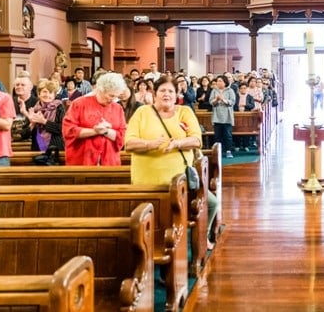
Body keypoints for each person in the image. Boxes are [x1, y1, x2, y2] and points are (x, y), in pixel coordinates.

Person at [124, 75, 219, 250]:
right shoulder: (142, 112)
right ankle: (153, 252)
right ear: (154, 93)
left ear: (176, 95)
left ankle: (200, 236)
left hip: (179, 182)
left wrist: (177, 143)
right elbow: (128, 143)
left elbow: (197, 140)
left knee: (211, 203)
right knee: (155, 223)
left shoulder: (185, 112)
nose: (166, 94)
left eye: (170, 91)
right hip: (147, 182)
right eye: (162, 90)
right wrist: (149, 145)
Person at [61, 72, 128, 166]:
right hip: (82, 160)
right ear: (100, 90)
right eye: (111, 96)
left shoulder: (117, 108)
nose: (113, 100)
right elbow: (69, 130)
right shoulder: (79, 104)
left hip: (109, 161)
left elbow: (122, 135)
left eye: (116, 96)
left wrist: (106, 131)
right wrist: (95, 131)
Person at [24, 78, 66, 158]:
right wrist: (32, 124)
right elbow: (24, 135)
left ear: (54, 95)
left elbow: (63, 128)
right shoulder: (34, 109)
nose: (47, 95)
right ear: (39, 94)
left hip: (55, 148)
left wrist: (44, 122)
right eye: (44, 92)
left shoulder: (59, 107)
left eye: (50, 93)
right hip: (37, 149)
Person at [209, 75, 236, 158]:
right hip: (217, 115)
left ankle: (228, 151)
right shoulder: (214, 90)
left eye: (220, 81)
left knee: (228, 135)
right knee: (217, 135)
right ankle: (218, 152)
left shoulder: (230, 90)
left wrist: (223, 100)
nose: (218, 82)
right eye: (217, 81)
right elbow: (211, 102)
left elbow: (233, 102)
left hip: (227, 116)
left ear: (225, 82)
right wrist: (216, 100)